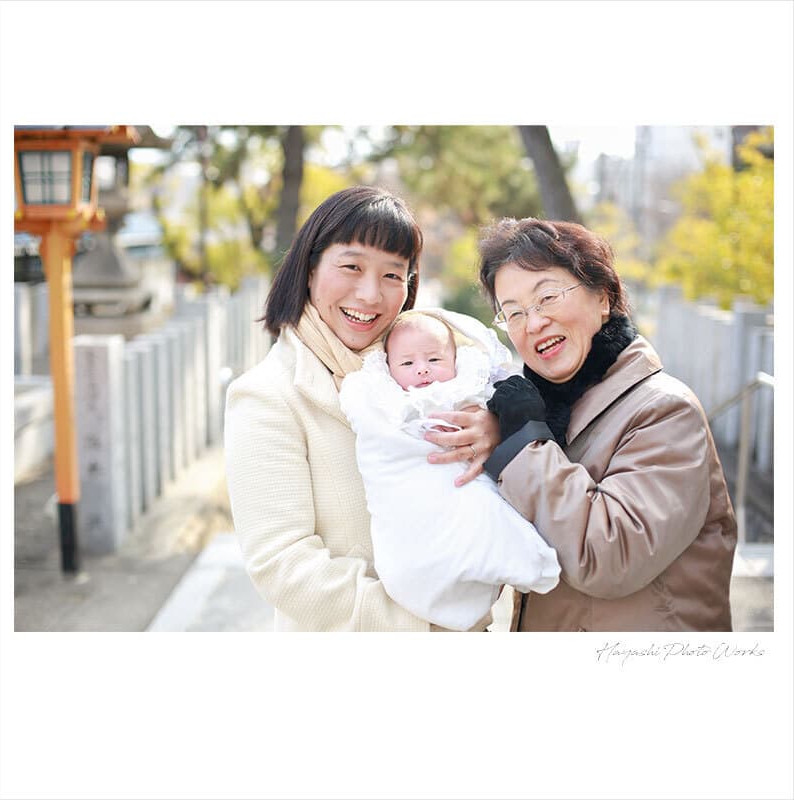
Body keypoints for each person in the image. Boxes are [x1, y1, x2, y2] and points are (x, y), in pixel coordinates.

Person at [431, 216, 736, 632]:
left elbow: (609, 556)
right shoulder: (546, 411)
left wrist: (520, 445)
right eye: (513, 312)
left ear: (604, 298)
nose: (533, 323)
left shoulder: (665, 411)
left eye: (548, 297)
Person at [223, 186, 501, 631]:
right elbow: (282, 563)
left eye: (394, 275)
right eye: (351, 266)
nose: (371, 294)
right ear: (310, 268)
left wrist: (493, 432)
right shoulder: (266, 396)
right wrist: (427, 627)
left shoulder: (432, 371)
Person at [338, 309, 560, 631]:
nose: (422, 370)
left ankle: (523, 561)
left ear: (455, 360)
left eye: (434, 359)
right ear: (387, 368)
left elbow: (495, 401)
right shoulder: (382, 398)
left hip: (461, 483)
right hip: (409, 491)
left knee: (482, 511)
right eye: (407, 363)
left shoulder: (467, 390)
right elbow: (376, 435)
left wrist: (490, 421)